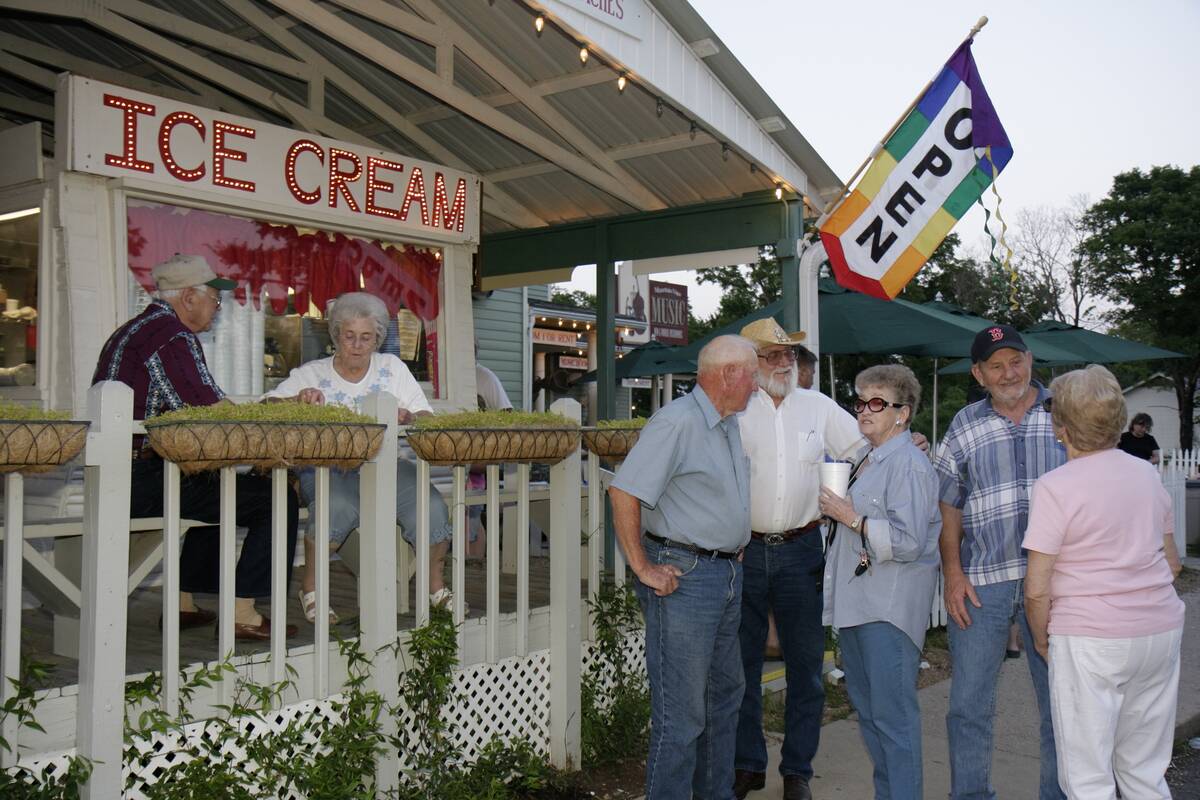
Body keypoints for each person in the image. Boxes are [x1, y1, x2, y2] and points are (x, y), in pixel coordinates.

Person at [92, 254, 299, 641]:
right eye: (213, 299)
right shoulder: (171, 336)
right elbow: (210, 411)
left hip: (118, 470)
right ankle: (243, 613)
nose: (217, 308)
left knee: (215, 482)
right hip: (139, 476)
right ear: (188, 297)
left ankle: (184, 605)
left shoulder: (134, 330)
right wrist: (270, 440)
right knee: (275, 497)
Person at [1022, 365, 1184, 799]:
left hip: (1090, 638)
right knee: (1144, 769)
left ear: (1062, 426)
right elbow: (1172, 564)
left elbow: (1037, 587)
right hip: (1158, 630)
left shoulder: (1055, 487)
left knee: (1088, 776)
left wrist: (1041, 640)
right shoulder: (1147, 475)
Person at [609, 335, 758, 800]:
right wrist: (642, 566)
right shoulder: (677, 422)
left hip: (724, 575)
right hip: (687, 578)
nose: (757, 384)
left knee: (723, 702)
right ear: (729, 374)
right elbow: (623, 491)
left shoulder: (727, 422)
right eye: (752, 374)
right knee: (683, 716)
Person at [932, 324, 1067, 800]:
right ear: (978, 374)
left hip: (1056, 585)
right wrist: (952, 573)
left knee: (1061, 704)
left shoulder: (1063, 412)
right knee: (968, 704)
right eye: (996, 365)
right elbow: (949, 501)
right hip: (983, 581)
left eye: (1016, 361)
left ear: (1030, 360)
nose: (1008, 372)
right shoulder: (965, 424)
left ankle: (1059, 794)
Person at [264, 291, 456, 621]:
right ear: (336, 334)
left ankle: (435, 586)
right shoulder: (313, 373)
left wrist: (409, 417)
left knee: (432, 507)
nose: (356, 344)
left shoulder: (391, 368)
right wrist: (298, 399)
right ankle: (311, 589)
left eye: (366, 337)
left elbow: (426, 417)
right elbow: (266, 407)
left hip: (386, 464)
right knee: (336, 507)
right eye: (349, 335)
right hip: (327, 466)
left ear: (377, 338)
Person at [732, 319, 864, 800]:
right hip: (742, 550)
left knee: (807, 667)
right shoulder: (735, 407)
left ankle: (797, 772)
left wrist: (901, 442)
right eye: (773, 355)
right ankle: (747, 765)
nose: (785, 362)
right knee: (739, 666)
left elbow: (864, 451)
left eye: (788, 354)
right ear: (752, 362)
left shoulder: (818, 406)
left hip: (802, 549)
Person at [818, 365, 941, 800]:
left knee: (892, 718)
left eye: (877, 403)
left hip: (887, 609)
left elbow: (910, 540)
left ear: (902, 413)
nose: (864, 410)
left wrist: (850, 516)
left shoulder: (908, 463)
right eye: (860, 401)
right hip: (859, 605)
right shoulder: (867, 459)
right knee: (871, 716)